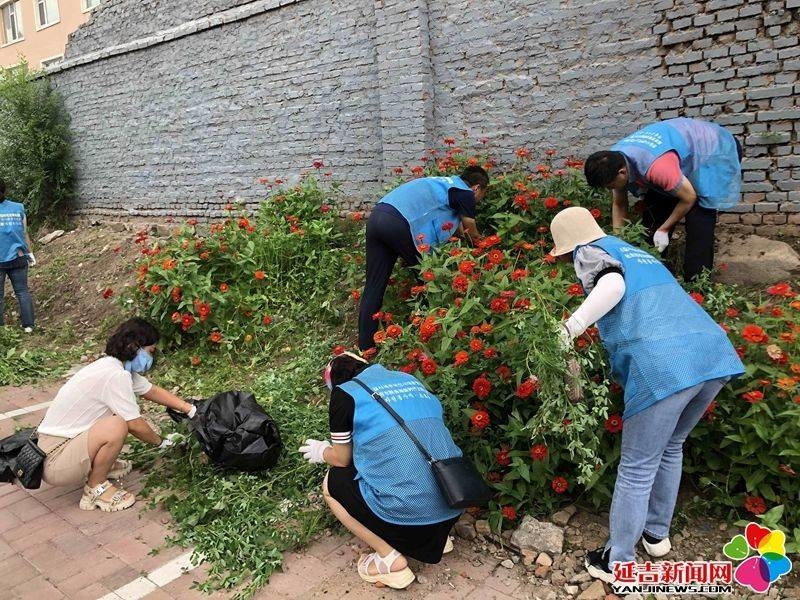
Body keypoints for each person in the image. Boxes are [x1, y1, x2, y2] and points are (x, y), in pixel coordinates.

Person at [548, 206, 744, 583]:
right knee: (672, 447)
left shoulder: (588, 251)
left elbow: (612, 286)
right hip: (710, 354)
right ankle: (656, 536)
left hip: (665, 364)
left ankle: (618, 561)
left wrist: (568, 329)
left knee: (637, 467)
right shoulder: (630, 250)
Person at [299, 352, 462, 589]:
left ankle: (389, 560)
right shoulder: (409, 380)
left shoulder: (345, 394)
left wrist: (322, 450)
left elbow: (342, 459)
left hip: (409, 510)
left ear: (333, 383)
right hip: (454, 496)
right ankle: (437, 537)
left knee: (333, 482)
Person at [37, 317, 196, 512]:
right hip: (55, 459)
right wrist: (161, 442)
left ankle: (102, 465)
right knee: (118, 425)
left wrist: (189, 409)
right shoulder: (115, 375)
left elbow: (150, 391)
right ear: (134, 347)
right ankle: (95, 489)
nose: (151, 358)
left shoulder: (114, 366)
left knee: (114, 418)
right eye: (150, 351)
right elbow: (135, 424)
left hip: (56, 446)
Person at [583, 117, 742, 281]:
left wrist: (664, 228)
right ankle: (656, 277)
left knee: (699, 220)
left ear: (622, 172)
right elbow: (619, 203)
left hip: (712, 150)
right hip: (676, 153)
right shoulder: (613, 162)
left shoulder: (657, 167)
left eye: (610, 185)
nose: (611, 189)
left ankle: (697, 285)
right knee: (653, 219)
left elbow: (689, 197)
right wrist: (619, 242)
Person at [358, 166, 490, 350]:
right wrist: (484, 246)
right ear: (477, 188)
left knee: (374, 286)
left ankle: (365, 348)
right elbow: (469, 226)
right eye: (483, 193)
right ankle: (429, 338)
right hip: (399, 223)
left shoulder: (443, 185)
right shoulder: (465, 193)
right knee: (429, 282)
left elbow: (460, 229)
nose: (480, 200)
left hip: (378, 215)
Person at [0, 180, 36, 331]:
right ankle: (29, 326)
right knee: (22, 291)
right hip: (19, 256)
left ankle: (1, 330)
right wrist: (30, 253)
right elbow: (24, 233)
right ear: (5, 190)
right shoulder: (18, 207)